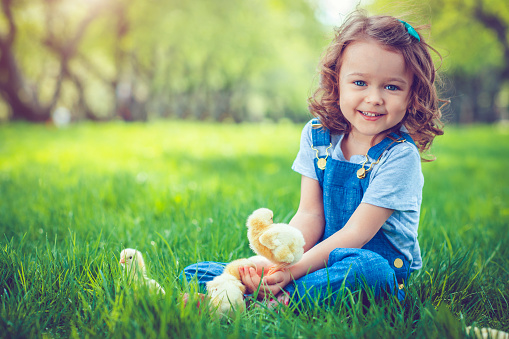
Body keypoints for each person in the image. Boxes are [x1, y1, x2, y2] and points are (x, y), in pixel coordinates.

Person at [182, 10, 445, 308]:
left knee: (370, 271)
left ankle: (269, 302)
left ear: (413, 94)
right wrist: (277, 265)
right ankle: (250, 291)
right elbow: (310, 216)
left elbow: (356, 233)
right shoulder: (318, 137)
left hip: (367, 266)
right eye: (360, 83)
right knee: (196, 272)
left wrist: (294, 272)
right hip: (315, 261)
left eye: (392, 87)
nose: (374, 98)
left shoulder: (399, 156)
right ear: (337, 82)